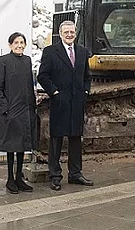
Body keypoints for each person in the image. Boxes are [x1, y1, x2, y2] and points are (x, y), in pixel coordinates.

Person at [37, 20, 93, 191]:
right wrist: (54, 92)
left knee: (76, 139)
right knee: (56, 140)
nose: (69, 35)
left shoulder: (82, 52)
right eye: (66, 32)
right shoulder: (50, 52)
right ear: (60, 33)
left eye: (72, 32)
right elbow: (43, 76)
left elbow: (87, 76)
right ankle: (55, 176)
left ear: (75, 33)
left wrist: (85, 92)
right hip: (59, 102)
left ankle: (75, 173)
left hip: (77, 102)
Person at [0, 32, 37, 194]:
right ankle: (10, 179)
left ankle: (19, 178)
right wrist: (5, 108)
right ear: (10, 45)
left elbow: (28, 86)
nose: (19, 45)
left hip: (25, 112)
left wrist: (32, 106)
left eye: (22, 42)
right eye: (16, 42)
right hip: (11, 112)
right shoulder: (4, 61)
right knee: (11, 147)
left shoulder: (27, 61)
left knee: (22, 147)